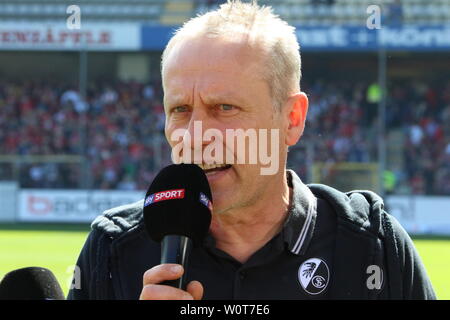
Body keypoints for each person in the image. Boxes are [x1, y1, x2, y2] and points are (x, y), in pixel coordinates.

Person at [68, 0, 436, 300]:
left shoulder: (373, 245)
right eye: (180, 110)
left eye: (224, 108)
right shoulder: (115, 249)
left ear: (291, 118)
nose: (195, 136)